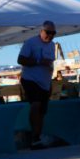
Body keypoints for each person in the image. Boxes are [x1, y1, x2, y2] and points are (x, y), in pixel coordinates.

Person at [17, 20, 57, 149]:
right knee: (36, 105)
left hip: (45, 82)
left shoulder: (52, 45)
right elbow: (20, 59)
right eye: (48, 32)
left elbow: (50, 64)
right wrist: (39, 61)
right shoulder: (30, 43)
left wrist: (50, 83)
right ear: (41, 31)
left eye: (53, 33)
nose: (50, 35)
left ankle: (37, 137)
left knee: (42, 111)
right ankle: (34, 137)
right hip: (30, 79)